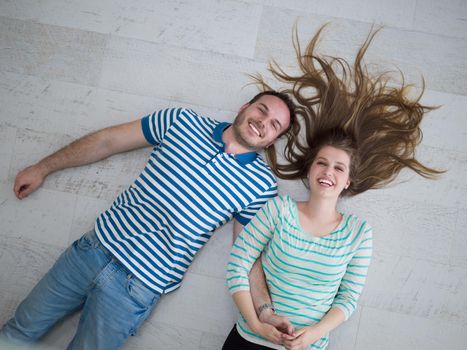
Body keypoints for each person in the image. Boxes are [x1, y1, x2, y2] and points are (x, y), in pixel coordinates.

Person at [0, 91, 297, 349]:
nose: (263, 122)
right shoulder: (182, 121)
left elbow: (247, 253)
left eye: (275, 125)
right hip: (93, 250)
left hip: (137, 288)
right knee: (17, 332)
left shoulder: (261, 186)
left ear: (274, 140)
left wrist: (265, 310)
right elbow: (107, 141)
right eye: (262, 110)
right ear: (245, 106)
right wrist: (43, 167)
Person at [223, 26, 442, 350]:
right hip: (248, 339)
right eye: (322, 163)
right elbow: (238, 265)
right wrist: (259, 323)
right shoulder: (278, 210)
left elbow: (348, 299)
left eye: (339, 168)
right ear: (310, 170)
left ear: (348, 180)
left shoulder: (358, 234)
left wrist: (310, 336)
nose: (328, 172)